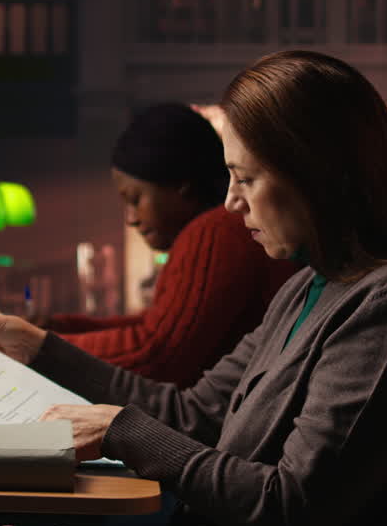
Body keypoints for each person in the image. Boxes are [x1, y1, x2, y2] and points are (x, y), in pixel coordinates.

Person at [0, 51, 387, 526]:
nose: (231, 201)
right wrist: (37, 347)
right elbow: (192, 414)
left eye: (246, 178)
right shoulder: (306, 287)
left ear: (314, 176)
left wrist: (122, 432)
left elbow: (291, 510)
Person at [48, 102, 299, 387]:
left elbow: (157, 355)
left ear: (182, 185)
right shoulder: (215, 230)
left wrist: (43, 347)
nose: (131, 218)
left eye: (135, 200)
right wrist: (59, 329)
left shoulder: (217, 231)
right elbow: (159, 325)